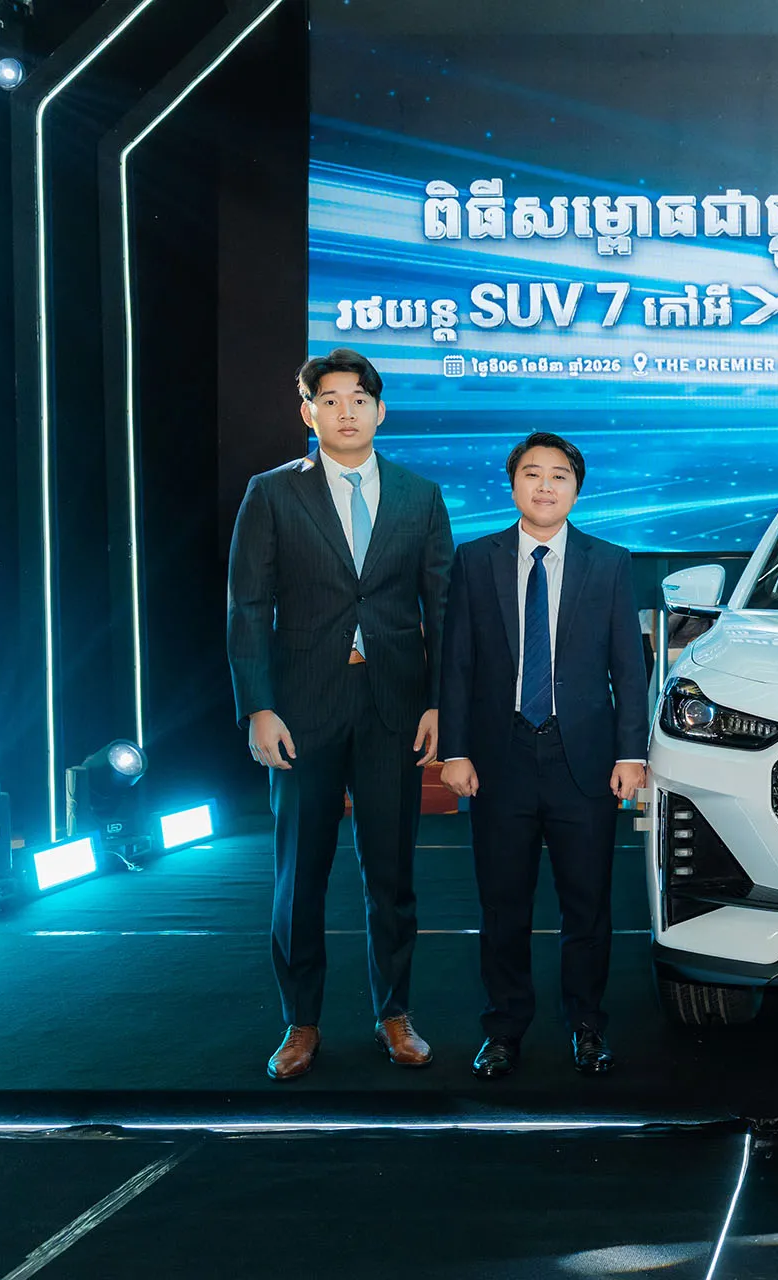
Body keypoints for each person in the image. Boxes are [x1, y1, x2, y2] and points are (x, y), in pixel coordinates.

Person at [228, 348, 453, 1081]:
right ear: (308, 412)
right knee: (300, 876)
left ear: (380, 410)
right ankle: (300, 1023)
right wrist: (259, 707)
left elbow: (442, 608)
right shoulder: (271, 493)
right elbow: (247, 606)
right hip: (301, 710)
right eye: (329, 399)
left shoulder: (420, 495)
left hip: (394, 706)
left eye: (359, 399)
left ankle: (395, 1015)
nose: (346, 411)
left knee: (392, 875)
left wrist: (438, 702)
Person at [438, 432, 650, 1079]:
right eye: (532, 473)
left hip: (581, 760)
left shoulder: (609, 562)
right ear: (513, 486)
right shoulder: (475, 560)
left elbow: (629, 668)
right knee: (503, 906)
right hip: (498, 758)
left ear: (576, 489)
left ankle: (587, 1025)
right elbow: (457, 663)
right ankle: (504, 1029)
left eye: (560, 475)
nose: (546, 485)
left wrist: (631, 753)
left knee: (588, 906)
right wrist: (455, 750)